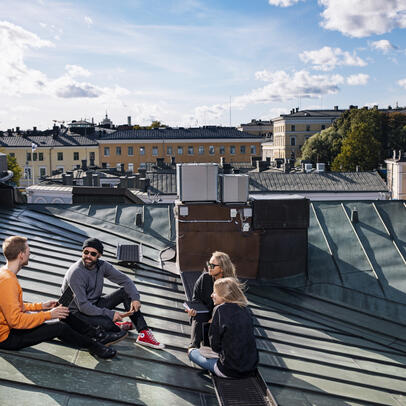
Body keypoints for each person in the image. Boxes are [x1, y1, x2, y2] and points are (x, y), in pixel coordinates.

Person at [0, 236, 115, 359]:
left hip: (11, 328)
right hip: (8, 337)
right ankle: (95, 347)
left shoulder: (5, 274)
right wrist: (49, 314)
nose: (30, 254)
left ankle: (97, 335)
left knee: (63, 313)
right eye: (28, 251)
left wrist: (42, 306)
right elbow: (16, 321)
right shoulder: (8, 281)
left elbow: (14, 306)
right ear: (21, 255)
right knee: (59, 327)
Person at [61, 238, 164, 349]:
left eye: (93, 253)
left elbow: (125, 280)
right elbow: (83, 306)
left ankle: (143, 333)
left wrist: (135, 298)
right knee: (109, 325)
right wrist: (111, 314)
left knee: (126, 292)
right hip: (74, 313)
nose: (88, 256)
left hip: (93, 305)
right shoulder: (76, 273)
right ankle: (113, 325)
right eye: (85, 252)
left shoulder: (102, 266)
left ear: (99, 255)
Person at [188, 277, 258, 378]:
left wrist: (213, 324)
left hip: (228, 371)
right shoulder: (245, 310)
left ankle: (191, 351)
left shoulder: (220, 310)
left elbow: (214, 346)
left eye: (214, 292)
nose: (211, 295)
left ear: (224, 295)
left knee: (192, 352)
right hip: (250, 369)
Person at [185, 251, 237, 349]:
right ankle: (193, 347)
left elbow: (232, 308)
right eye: (209, 264)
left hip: (222, 318)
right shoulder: (204, 278)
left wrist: (215, 318)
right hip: (204, 314)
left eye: (212, 265)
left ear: (222, 268)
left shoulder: (230, 284)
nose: (209, 267)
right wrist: (192, 310)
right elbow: (196, 300)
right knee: (199, 316)